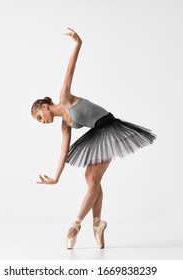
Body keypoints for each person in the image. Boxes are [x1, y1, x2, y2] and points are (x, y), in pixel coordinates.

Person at [31, 27, 156, 249]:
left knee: (93, 180)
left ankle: (75, 224)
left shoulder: (64, 98)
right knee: (91, 180)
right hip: (96, 134)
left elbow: (70, 69)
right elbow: (63, 152)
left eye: (41, 117)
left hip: (108, 128)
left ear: (44, 106)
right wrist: (56, 177)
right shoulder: (64, 126)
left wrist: (78, 44)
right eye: (40, 122)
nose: (43, 122)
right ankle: (97, 223)